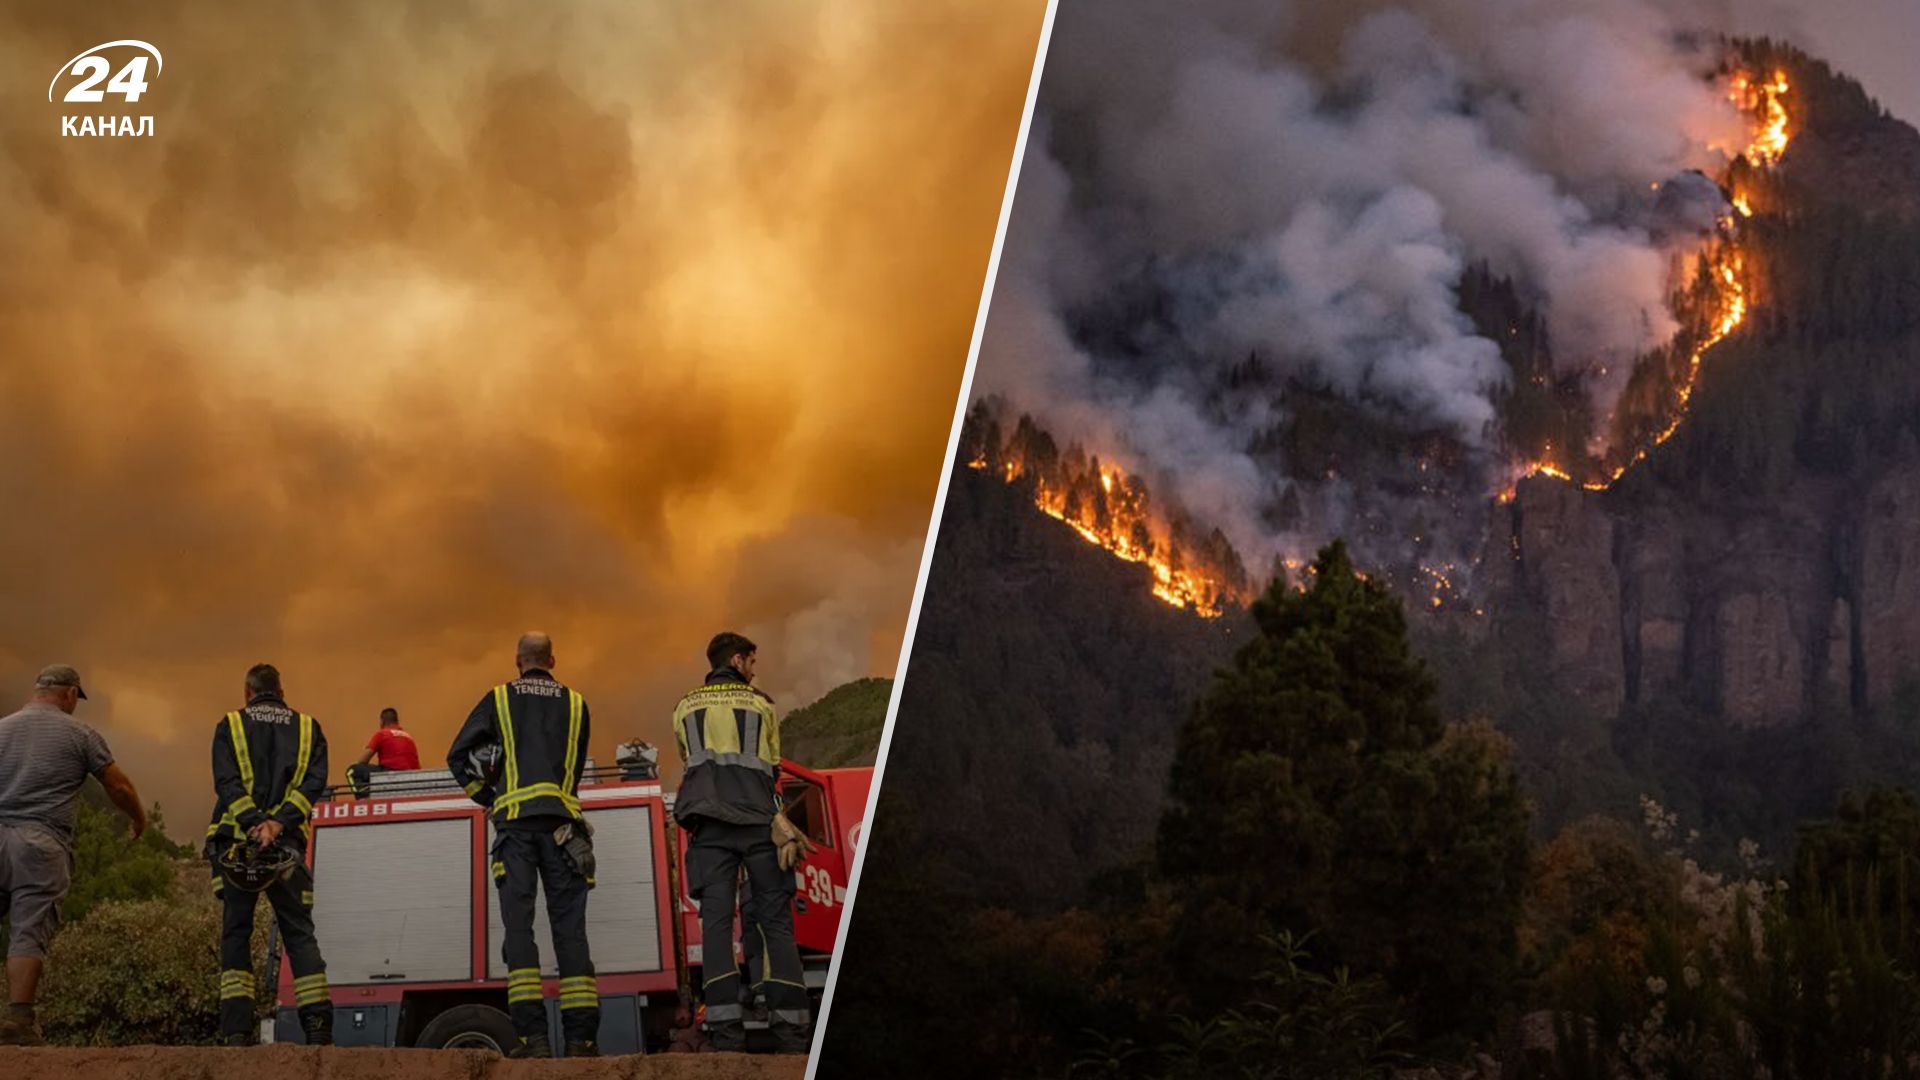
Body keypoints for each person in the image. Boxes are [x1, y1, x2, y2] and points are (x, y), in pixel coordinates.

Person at [447, 632, 598, 1058]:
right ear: (553, 659)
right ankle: (582, 1042)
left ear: (518, 661)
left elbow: (457, 756)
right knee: (571, 934)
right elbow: (576, 760)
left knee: (519, 931)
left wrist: (488, 798)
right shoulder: (576, 703)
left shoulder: (498, 699)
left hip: (515, 830)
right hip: (565, 832)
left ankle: (534, 1041)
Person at [671, 632, 810, 1054]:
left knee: (715, 926)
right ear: (736, 660)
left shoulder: (684, 706)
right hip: (756, 824)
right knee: (776, 923)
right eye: (752, 661)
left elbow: (688, 761)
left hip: (709, 829)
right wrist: (778, 817)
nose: (755, 669)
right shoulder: (762, 705)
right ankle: (792, 1034)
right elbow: (772, 770)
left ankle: (726, 1033)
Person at [0, 665, 146, 1046]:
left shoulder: (2, 729)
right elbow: (118, 786)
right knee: (28, 931)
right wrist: (138, 818)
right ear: (68, 694)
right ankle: (19, 1020)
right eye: (75, 699)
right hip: (40, 843)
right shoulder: (80, 734)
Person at [205, 663, 332, 1046]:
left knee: (237, 931)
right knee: (299, 933)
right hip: (286, 847)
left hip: (238, 847)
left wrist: (254, 824)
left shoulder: (230, 724)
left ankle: (238, 1031)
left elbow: (226, 782)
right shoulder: (309, 728)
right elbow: (314, 783)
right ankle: (318, 1029)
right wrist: (278, 824)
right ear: (281, 691)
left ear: (248, 691)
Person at [348, 707, 420, 797]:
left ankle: (363, 799)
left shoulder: (382, 734)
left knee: (352, 771)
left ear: (382, 721)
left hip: (389, 774)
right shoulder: (409, 737)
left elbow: (363, 760)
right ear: (397, 721)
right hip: (410, 776)